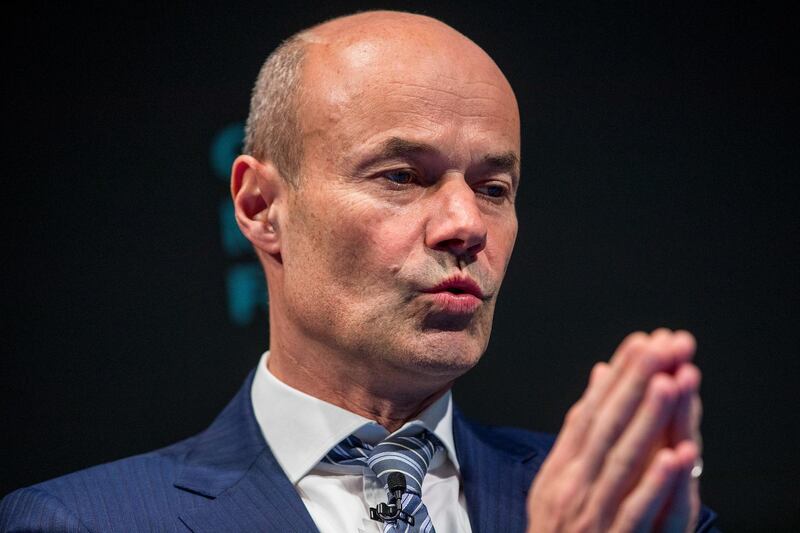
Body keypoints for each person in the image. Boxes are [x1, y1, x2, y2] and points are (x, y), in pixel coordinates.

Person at [0, 10, 718, 533]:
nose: (466, 224)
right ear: (260, 206)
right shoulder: (78, 521)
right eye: (403, 175)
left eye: (494, 188)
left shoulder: (629, 511)